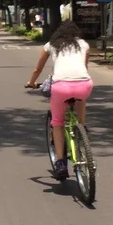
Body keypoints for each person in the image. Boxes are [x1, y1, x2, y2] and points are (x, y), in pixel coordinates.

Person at [26, 21, 93, 180]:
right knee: (81, 98)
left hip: (61, 86)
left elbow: (38, 69)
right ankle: (82, 126)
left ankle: (61, 162)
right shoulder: (83, 44)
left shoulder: (51, 45)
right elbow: (84, 67)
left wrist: (31, 83)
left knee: (57, 122)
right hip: (84, 84)